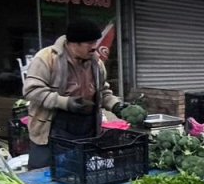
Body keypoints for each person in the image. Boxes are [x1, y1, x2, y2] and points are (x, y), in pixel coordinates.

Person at [23, 20, 129, 169]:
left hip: (86, 128)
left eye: (95, 42)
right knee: (43, 174)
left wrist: (117, 105)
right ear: (74, 43)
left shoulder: (96, 63)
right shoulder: (47, 58)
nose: (94, 47)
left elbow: (103, 92)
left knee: (82, 173)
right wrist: (65, 103)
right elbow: (32, 91)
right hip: (52, 128)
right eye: (89, 43)